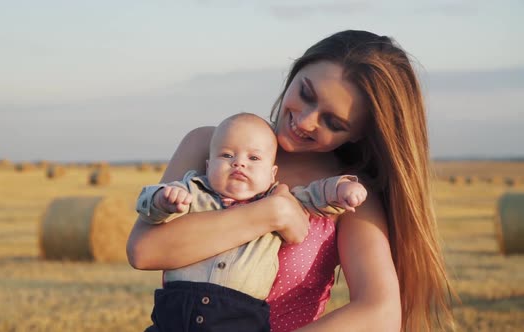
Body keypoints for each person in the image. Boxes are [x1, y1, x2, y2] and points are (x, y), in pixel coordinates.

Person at [127, 30, 456, 331]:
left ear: (360, 133)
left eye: (333, 122)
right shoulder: (207, 145)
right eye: (306, 93)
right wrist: (272, 214)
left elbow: (380, 313)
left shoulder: (349, 194)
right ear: (296, 71)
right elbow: (144, 250)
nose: (305, 121)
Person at [135, 113, 366, 332]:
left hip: (239, 316)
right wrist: (161, 200)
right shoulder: (192, 190)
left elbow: (316, 196)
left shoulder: (279, 198)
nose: (239, 163)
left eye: (253, 158)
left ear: (273, 173)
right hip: (174, 310)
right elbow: (148, 208)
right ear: (208, 166)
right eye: (226, 155)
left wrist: (342, 188)